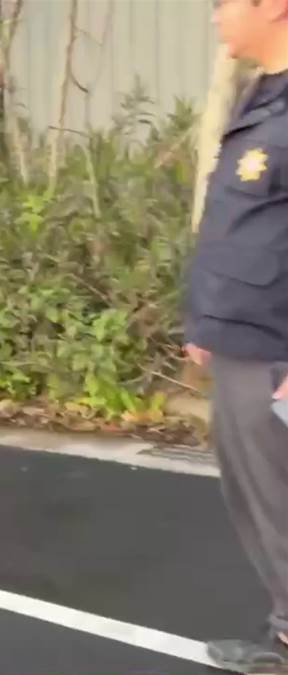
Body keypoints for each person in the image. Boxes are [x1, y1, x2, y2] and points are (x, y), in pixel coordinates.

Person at [186, 0, 288, 671]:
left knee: (278, 499)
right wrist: (206, 320)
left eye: (225, 2)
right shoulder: (262, 95)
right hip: (242, 337)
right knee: (262, 498)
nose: (216, 16)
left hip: (274, 347)